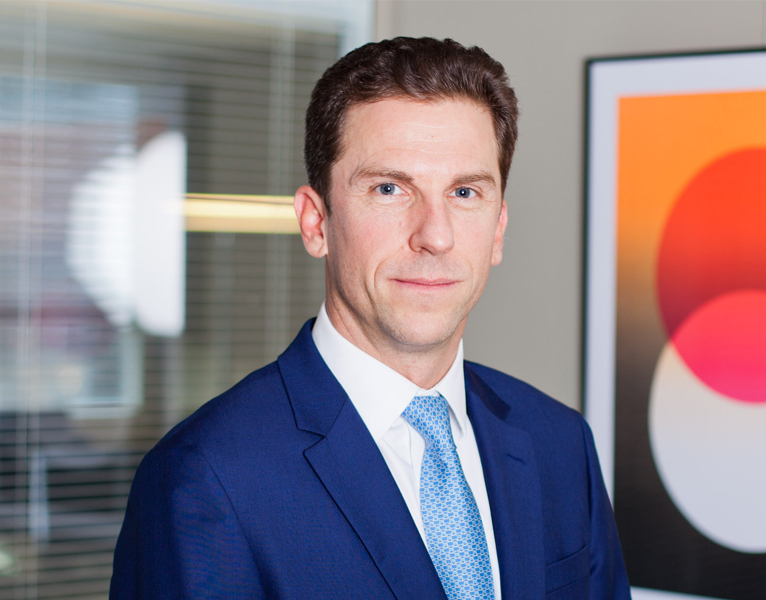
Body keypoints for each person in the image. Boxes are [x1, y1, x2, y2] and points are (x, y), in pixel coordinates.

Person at [110, 37, 630, 599]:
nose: (435, 235)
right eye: (389, 188)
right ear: (316, 223)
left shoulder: (559, 442)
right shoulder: (205, 478)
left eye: (464, 192)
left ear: (498, 228)